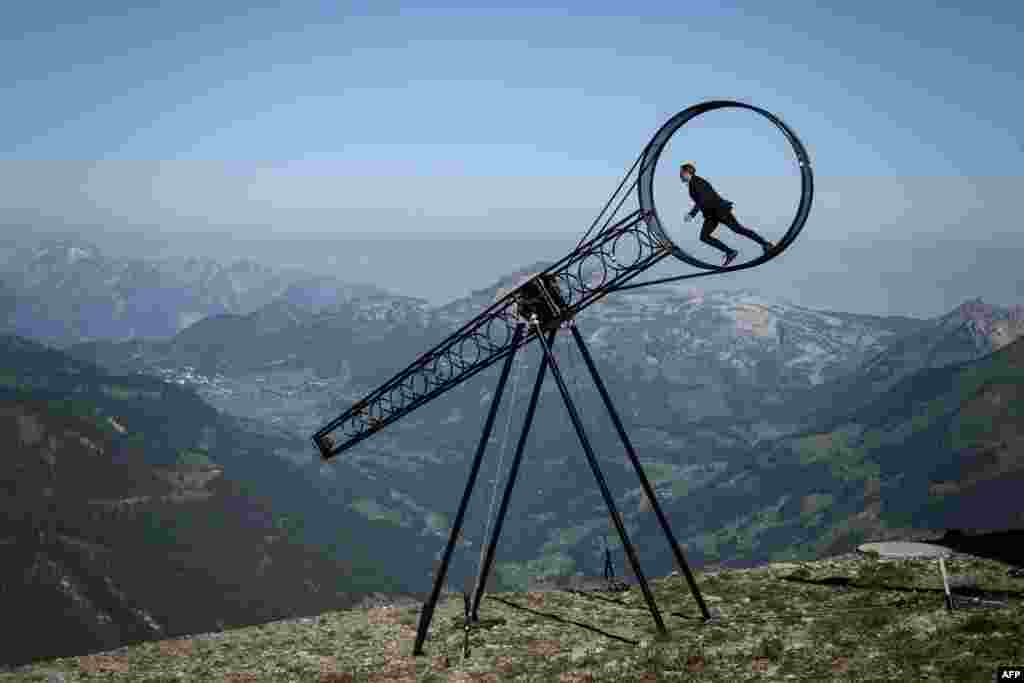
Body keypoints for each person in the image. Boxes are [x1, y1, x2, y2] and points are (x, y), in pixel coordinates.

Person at [680, 162, 774, 266]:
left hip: (719, 210)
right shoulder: (692, 183)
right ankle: (730, 252)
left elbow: (702, 200)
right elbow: (701, 201)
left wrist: (692, 214)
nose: (680, 175)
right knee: (704, 237)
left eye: (681, 172)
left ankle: (766, 244)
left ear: (687, 172)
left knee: (738, 229)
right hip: (711, 214)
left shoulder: (697, 182)